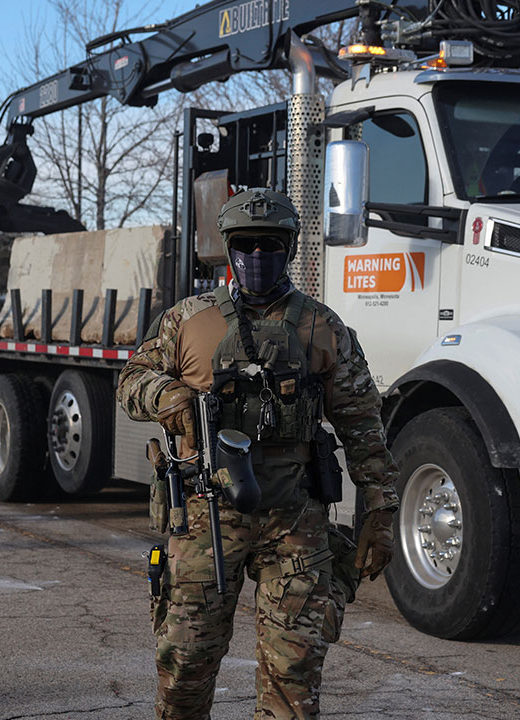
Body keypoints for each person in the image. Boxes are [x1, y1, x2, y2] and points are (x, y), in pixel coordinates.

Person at [117, 188, 400, 719]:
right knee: (185, 663)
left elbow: (363, 423)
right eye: (245, 244)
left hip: (294, 517)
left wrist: (381, 511)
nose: (256, 255)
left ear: (288, 248)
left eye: (269, 244)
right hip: (205, 514)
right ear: (228, 248)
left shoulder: (323, 327)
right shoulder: (188, 320)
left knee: (294, 671)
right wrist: (167, 395)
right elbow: (131, 381)